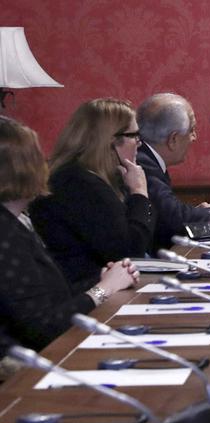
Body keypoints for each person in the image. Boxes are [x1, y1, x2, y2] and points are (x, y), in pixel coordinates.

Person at [0, 117, 138, 352]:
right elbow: (43, 328)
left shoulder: (15, 222)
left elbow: (49, 298)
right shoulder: (5, 235)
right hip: (23, 372)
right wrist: (104, 290)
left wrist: (101, 279)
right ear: (23, 168)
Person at [30, 98, 154, 292]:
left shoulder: (84, 176)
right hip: (81, 297)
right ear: (111, 141)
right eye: (134, 135)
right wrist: (139, 192)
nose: (139, 143)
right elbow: (129, 252)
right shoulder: (78, 183)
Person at [137, 93, 210, 252]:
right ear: (173, 139)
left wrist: (199, 214)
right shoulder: (143, 163)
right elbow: (172, 219)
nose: (194, 137)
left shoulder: (147, 157)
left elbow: (168, 213)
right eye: (192, 130)